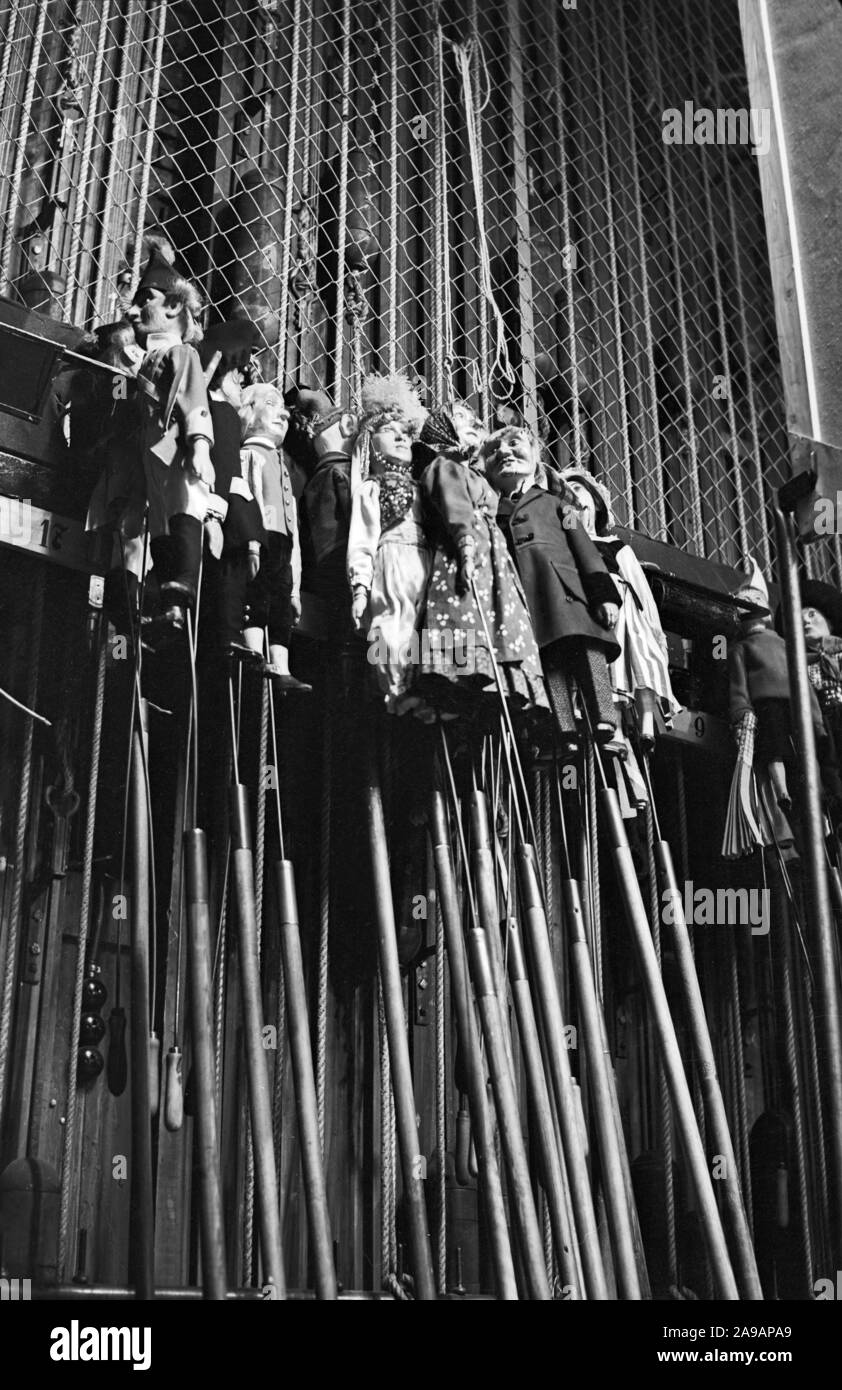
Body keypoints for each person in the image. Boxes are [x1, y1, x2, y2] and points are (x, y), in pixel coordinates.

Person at [483, 423, 620, 748]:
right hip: (531, 600)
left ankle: (604, 714)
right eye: (494, 452)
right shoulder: (492, 512)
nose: (504, 453)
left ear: (534, 455)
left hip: (569, 592)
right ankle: (564, 728)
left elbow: (584, 548)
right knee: (551, 662)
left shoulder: (559, 504)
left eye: (514, 444)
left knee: (589, 653)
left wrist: (602, 593)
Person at [414, 402, 548, 717]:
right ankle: (465, 681)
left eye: (475, 418)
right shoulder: (447, 467)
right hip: (467, 557)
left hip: (494, 567)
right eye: (461, 418)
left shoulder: (482, 478)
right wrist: (465, 545)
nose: (474, 421)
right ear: (443, 430)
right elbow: (456, 506)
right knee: (466, 619)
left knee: (498, 624)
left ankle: (498, 681)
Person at [127, 247, 214, 637]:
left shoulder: (181, 354)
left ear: (175, 306)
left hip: (177, 451)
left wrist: (199, 445)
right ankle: (168, 601)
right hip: (151, 455)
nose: (133, 312)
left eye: (145, 299)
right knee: (161, 520)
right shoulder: (144, 358)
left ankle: (185, 587)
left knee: (183, 509)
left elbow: (193, 399)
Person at [562, 467, 681, 746]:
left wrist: (655, 632)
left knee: (638, 661)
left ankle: (645, 724)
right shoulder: (564, 546)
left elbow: (641, 592)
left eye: (578, 489)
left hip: (624, 612)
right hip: (587, 612)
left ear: (595, 501)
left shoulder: (615, 546)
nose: (573, 497)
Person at [346, 371, 430, 711]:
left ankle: (424, 691)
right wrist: (360, 587)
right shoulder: (371, 489)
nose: (400, 438)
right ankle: (393, 689)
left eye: (405, 433)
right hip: (391, 563)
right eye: (387, 431)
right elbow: (362, 539)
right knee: (389, 628)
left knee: (427, 629)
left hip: (425, 564)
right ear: (369, 441)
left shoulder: (425, 488)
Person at [197, 319, 267, 664]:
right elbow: (223, 466)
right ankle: (229, 632)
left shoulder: (219, 410)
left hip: (228, 509)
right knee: (228, 574)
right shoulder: (221, 412)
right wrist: (214, 514)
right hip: (223, 510)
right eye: (240, 376)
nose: (244, 383)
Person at [238, 384, 310, 691]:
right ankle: (253, 652)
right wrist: (249, 540)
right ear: (250, 412)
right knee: (257, 595)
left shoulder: (282, 466)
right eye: (270, 404)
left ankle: (281, 665)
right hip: (262, 537)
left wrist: (295, 587)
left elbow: (292, 521)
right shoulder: (250, 455)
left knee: (281, 604)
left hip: (283, 544)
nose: (282, 412)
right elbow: (245, 495)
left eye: (283, 406)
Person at [284, 384, 358, 640]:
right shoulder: (338, 473)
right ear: (348, 425)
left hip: (330, 567)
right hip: (341, 562)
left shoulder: (321, 476)